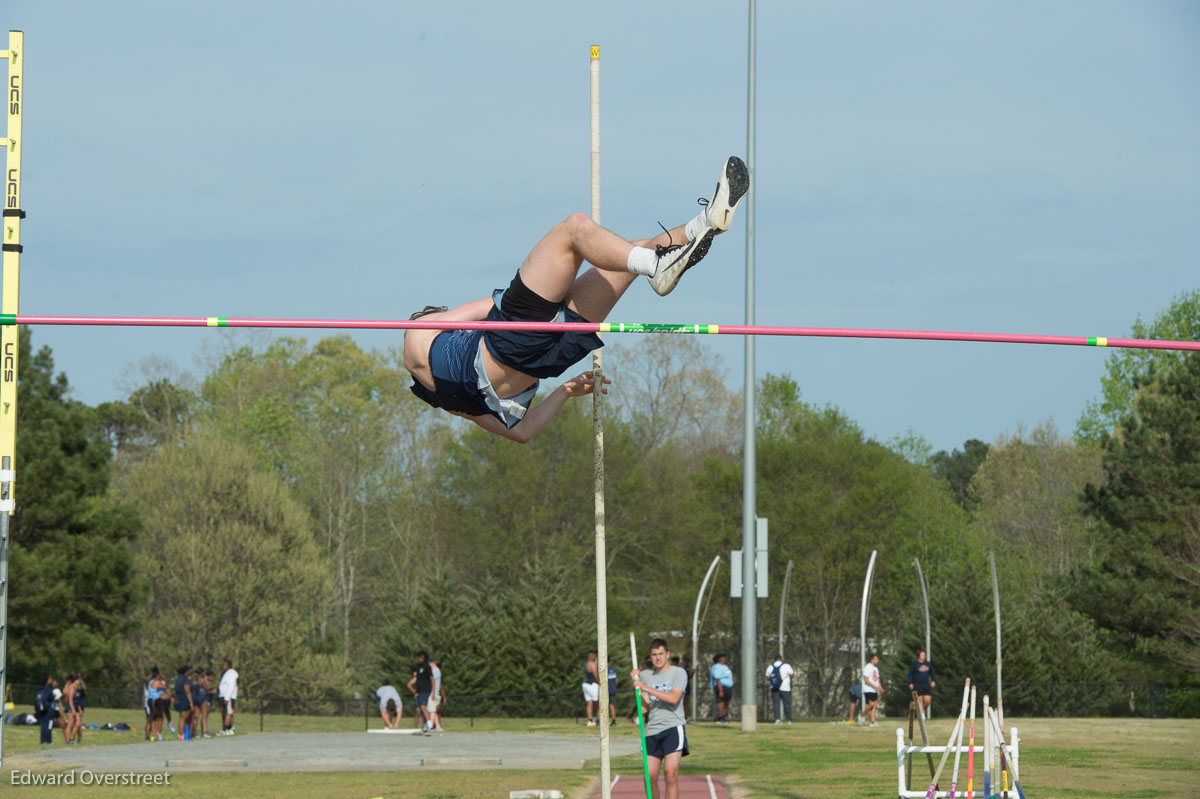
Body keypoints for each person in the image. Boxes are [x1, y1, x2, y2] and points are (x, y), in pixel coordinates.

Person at [403, 156, 749, 443]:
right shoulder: (418, 333)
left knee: (635, 251)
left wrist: (566, 390)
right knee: (574, 229)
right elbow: (488, 309)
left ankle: (703, 224)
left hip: (548, 358)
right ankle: (658, 264)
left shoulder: (454, 403)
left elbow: (522, 432)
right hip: (513, 339)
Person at [631, 639, 690, 799]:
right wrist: (637, 688)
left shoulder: (678, 673)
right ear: (650, 657)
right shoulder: (648, 677)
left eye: (661, 654)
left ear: (668, 654)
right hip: (652, 731)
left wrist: (646, 688)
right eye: (654, 655)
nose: (658, 658)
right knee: (649, 778)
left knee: (670, 774)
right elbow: (645, 708)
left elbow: (674, 698)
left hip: (672, 727)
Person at [407, 651, 434, 731]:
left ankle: (429, 722)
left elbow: (432, 679)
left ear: (425, 658)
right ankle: (426, 726)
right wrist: (415, 690)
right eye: (419, 657)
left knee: (423, 706)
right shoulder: (418, 666)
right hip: (419, 690)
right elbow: (417, 679)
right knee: (420, 710)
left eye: (421, 657)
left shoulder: (427, 667)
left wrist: (433, 691)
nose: (420, 659)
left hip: (425, 689)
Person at [765, 654, 794, 725]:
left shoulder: (770, 667)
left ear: (775, 659)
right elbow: (792, 675)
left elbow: (767, 677)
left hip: (774, 688)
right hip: (785, 688)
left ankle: (777, 719)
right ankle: (789, 720)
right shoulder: (786, 666)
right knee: (787, 704)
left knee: (776, 704)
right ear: (781, 659)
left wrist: (774, 682)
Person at [907, 649, 937, 717]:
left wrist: (933, 681)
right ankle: (922, 715)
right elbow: (910, 674)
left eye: (924, 655)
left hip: (926, 685)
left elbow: (932, 673)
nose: (924, 656)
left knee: (927, 701)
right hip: (917, 685)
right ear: (919, 656)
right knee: (919, 700)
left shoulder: (928, 664)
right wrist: (910, 683)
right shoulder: (914, 664)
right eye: (922, 655)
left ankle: (920, 711)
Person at [709, 654, 734, 724]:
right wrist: (720, 690)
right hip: (721, 686)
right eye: (724, 658)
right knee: (721, 701)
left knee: (726, 702)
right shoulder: (716, 667)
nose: (725, 659)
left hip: (728, 686)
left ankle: (723, 716)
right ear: (720, 659)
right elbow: (717, 678)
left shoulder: (725, 666)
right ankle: (719, 717)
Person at [217, 658, 239, 735]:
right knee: (224, 713)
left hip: (227, 697)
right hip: (223, 696)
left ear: (228, 666)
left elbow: (231, 686)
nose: (223, 667)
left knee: (228, 713)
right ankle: (225, 729)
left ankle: (227, 729)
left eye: (224, 665)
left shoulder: (231, 673)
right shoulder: (226, 673)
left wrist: (227, 698)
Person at [34, 676, 57, 746]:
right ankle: (48, 741)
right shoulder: (48, 688)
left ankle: (43, 741)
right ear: (48, 680)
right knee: (49, 726)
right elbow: (49, 697)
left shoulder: (42, 688)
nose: (52, 680)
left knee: (43, 726)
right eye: (51, 679)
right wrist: (53, 696)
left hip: (42, 710)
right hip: (48, 710)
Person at [862, 653, 884, 726]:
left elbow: (876, 680)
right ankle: (862, 715)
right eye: (876, 659)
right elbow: (866, 680)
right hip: (868, 689)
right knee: (871, 705)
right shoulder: (867, 667)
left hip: (874, 690)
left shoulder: (876, 668)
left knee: (874, 705)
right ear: (872, 659)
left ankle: (872, 721)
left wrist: (880, 687)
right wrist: (875, 686)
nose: (877, 660)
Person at [426, 660, 447, 734]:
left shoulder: (434, 671)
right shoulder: (438, 670)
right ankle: (438, 726)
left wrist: (433, 693)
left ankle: (430, 727)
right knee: (434, 711)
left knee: (431, 711)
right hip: (436, 693)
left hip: (433, 693)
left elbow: (432, 681)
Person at [175, 665, 195, 739]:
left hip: (179, 698)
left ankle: (184, 733)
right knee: (183, 717)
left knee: (184, 717)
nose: (192, 672)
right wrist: (191, 703)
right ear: (186, 671)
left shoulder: (179, 678)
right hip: (184, 699)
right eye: (190, 671)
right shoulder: (185, 680)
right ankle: (182, 734)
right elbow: (187, 692)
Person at [582, 650, 600, 727]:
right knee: (597, 702)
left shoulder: (586, 663)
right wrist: (600, 682)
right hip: (592, 684)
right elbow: (595, 674)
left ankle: (590, 720)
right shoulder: (591, 664)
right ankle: (597, 720)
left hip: (585, 684)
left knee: (589, 702)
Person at [606, 657, 619, 724]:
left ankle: (600, 720)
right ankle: (614, 720)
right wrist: (614, 686)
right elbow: (617, 680)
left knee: (603, 705)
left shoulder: (604, 670)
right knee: (612, 705)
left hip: (606, 690)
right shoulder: (614, 669)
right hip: (613, 689)